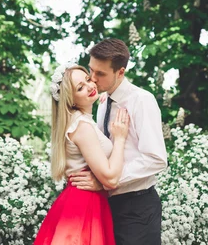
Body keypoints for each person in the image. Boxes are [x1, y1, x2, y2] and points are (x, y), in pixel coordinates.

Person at [70, 38, 168, 245]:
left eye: (101, 74)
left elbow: (157, 159)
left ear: (120, 72)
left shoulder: (142, 100)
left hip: (138, 208)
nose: (93, 79)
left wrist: (107, 182)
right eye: (91, 71)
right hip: (108, 205)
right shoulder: (103, 102)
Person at [34, 64, 130, 245]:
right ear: (71, 100)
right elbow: (110, 177)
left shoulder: (78, 121)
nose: (90, 87)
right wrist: (120, 139)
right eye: (80, 88)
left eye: (87, 80)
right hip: (85, 204)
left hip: (81, 199)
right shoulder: (81, 126)